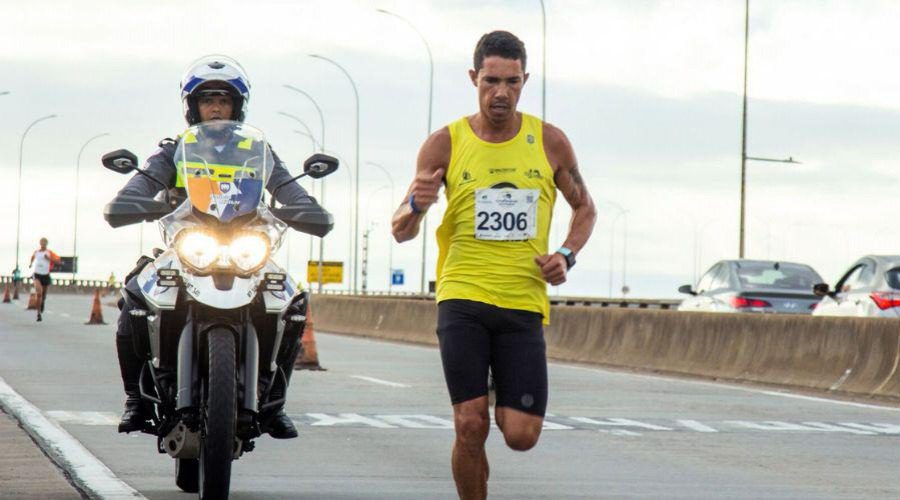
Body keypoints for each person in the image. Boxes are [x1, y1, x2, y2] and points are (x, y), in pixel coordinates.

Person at [391, 31, 596, 499]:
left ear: (525, 81)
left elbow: (585, 208)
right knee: (469, 425)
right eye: (490, 81)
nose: (500, 92)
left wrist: (566, 254)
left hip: (522, 300)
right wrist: (416, 207)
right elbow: (400, 229)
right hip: (462, 296)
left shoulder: (549, 142)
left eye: (512, 81)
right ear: (473, 78)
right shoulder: (445, 143)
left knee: (521, 436)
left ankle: (496, 399)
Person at [110, 56, 329, 438]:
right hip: (187, 245)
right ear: (192, 107)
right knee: (133, 294)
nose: (214, 107)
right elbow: (141, 184)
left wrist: (306, 208)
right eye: (206, 99)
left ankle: (274, 400)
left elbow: (287, 188)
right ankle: (136, 399)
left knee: (293, 301)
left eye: (223, 100)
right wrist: (131, 200)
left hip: (247, 245)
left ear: (236, 107)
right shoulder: (175, 150)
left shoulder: (257, 151)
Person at [29, 237, 61, 322]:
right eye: (41, 242)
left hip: (45, 275)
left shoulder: (49, 252)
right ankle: (38, 314)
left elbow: (58, 261)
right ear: (40, 243)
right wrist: (30, 263)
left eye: (44, 243)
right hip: (37, 274)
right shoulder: (36, 252)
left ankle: (43, 302)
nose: (43, 244)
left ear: (47, 244)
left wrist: (49, 259)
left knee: (43, 295)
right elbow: (32, 257)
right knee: (39, 293)